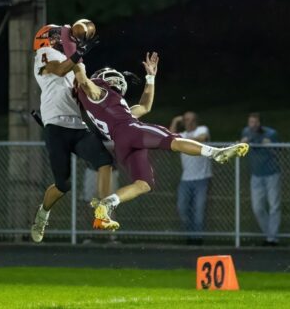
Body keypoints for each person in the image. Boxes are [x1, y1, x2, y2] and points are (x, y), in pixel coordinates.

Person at [72, 55, 249, 230]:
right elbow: (84, 81)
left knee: (143, 184)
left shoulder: (110, 106)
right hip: (130, 130)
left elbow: (144, 107)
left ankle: (107, 203)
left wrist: (150, 77)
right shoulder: (99, 93)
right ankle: (216, 153)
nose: (115, 80)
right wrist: (75, 55)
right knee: (174, 139)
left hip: (121, 142)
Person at [31, 22, 114, 243]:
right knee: (62, 185)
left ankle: (103, 210)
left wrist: (109, 89)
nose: (64, 38)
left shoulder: (74, 61)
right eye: (58, 36)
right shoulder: (44, 53)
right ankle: (43, 214)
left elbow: (86, 87)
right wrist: (77, 54)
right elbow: (59, 69)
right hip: (56, 126)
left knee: (105, 162)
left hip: (78, 125)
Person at [170, 112, 212, 245]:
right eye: (187, 120)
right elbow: (169, 137)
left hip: (202, 178)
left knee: (199, 209)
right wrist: (175, 120)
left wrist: (185, 142)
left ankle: (197, 239)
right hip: (186, 179)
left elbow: (203, 138)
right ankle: (190, 236)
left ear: (196, 121)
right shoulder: (181, 135)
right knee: (182, 208)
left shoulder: (202, 129)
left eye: (192, 120)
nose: (189, 122)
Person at [241, 112, 281, 246]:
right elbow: (241, 149)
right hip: (256, 175)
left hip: (271, 174)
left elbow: (280, 151)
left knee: (274, 206)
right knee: (257, 207)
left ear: (260, 123)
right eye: (250, 122)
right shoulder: (246, 132)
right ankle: (269, 234)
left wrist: (270, 146)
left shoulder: (270, 134)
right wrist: (242, 144)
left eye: (255, 122)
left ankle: (272, 239)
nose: (253, 125)